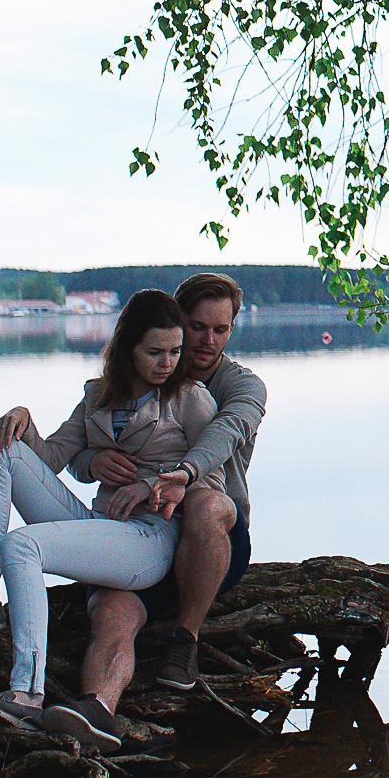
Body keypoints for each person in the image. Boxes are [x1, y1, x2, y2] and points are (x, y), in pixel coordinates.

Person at [0, 288, 226, 750]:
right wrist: (25, 422)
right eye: (155, 352)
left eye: (175, 351)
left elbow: (213, 487)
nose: (167, 362)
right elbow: (51, 458)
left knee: (23, 544)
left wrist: (156, 486)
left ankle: (27, 694)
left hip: (148, 541)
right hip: (102, 529)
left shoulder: (191, 400)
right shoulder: (97, 398)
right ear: (127, 347)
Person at [69, 271, 266, 726]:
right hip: (140, 539)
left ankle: (186, 639)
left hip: (212, 541)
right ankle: (96, 712)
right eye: (198, 327)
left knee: (205, 504)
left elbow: (226, 430)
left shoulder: (242, 386)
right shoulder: (142, 373)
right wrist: (92, 462)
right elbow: (78, 443)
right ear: (177, 323)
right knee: (110, 613)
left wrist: (179, 474)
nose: (208, 340)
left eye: (221, 330)